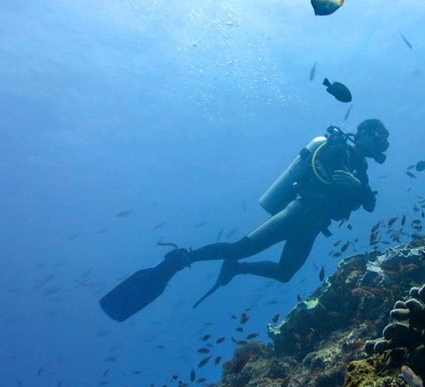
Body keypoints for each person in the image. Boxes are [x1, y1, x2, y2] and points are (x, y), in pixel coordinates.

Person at [166, 119, 389, 306]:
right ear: (364, 133)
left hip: (312, 227)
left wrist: (358, 185)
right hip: (296, 213)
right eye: (379, 137)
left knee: (284, 273)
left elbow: (370, 204)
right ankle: (186, 256)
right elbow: (334, 166)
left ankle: (238, 269)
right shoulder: (338, 146)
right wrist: (351, 181)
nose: (382, 144)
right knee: (239, 248)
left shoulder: (361, 170)